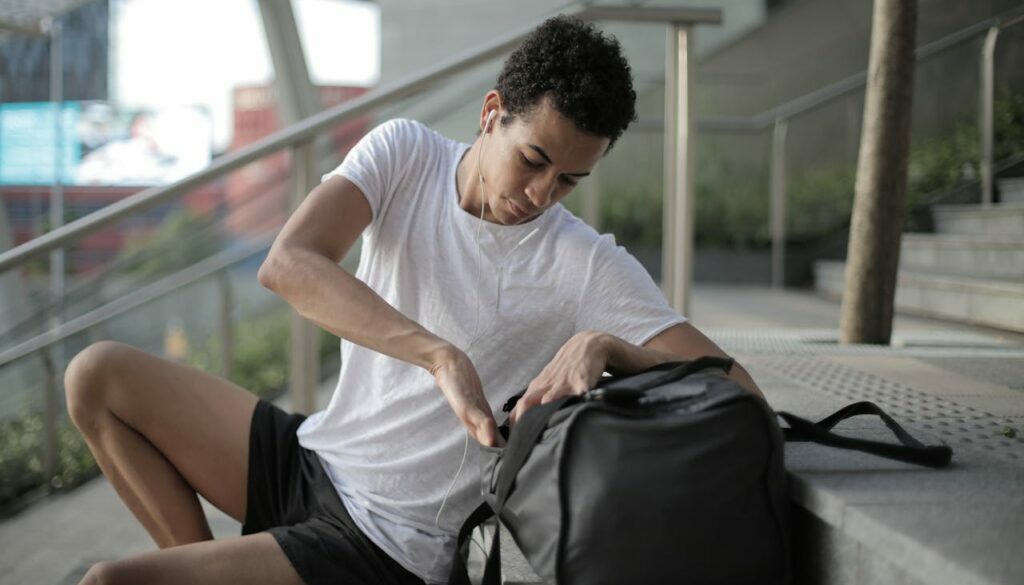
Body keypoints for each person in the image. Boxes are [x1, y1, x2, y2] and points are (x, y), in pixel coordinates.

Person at [63, 15, 763, 585]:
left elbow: (736, 387)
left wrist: (608, 346)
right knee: (95, 375)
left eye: (569, 180)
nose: (542, 194)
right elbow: (289, 263)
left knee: (111, 582)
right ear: (493, 114)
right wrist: (437, 354)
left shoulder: (583, 263)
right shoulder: (407, 154)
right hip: (314, 456)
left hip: (386, 544)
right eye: (533, 160)